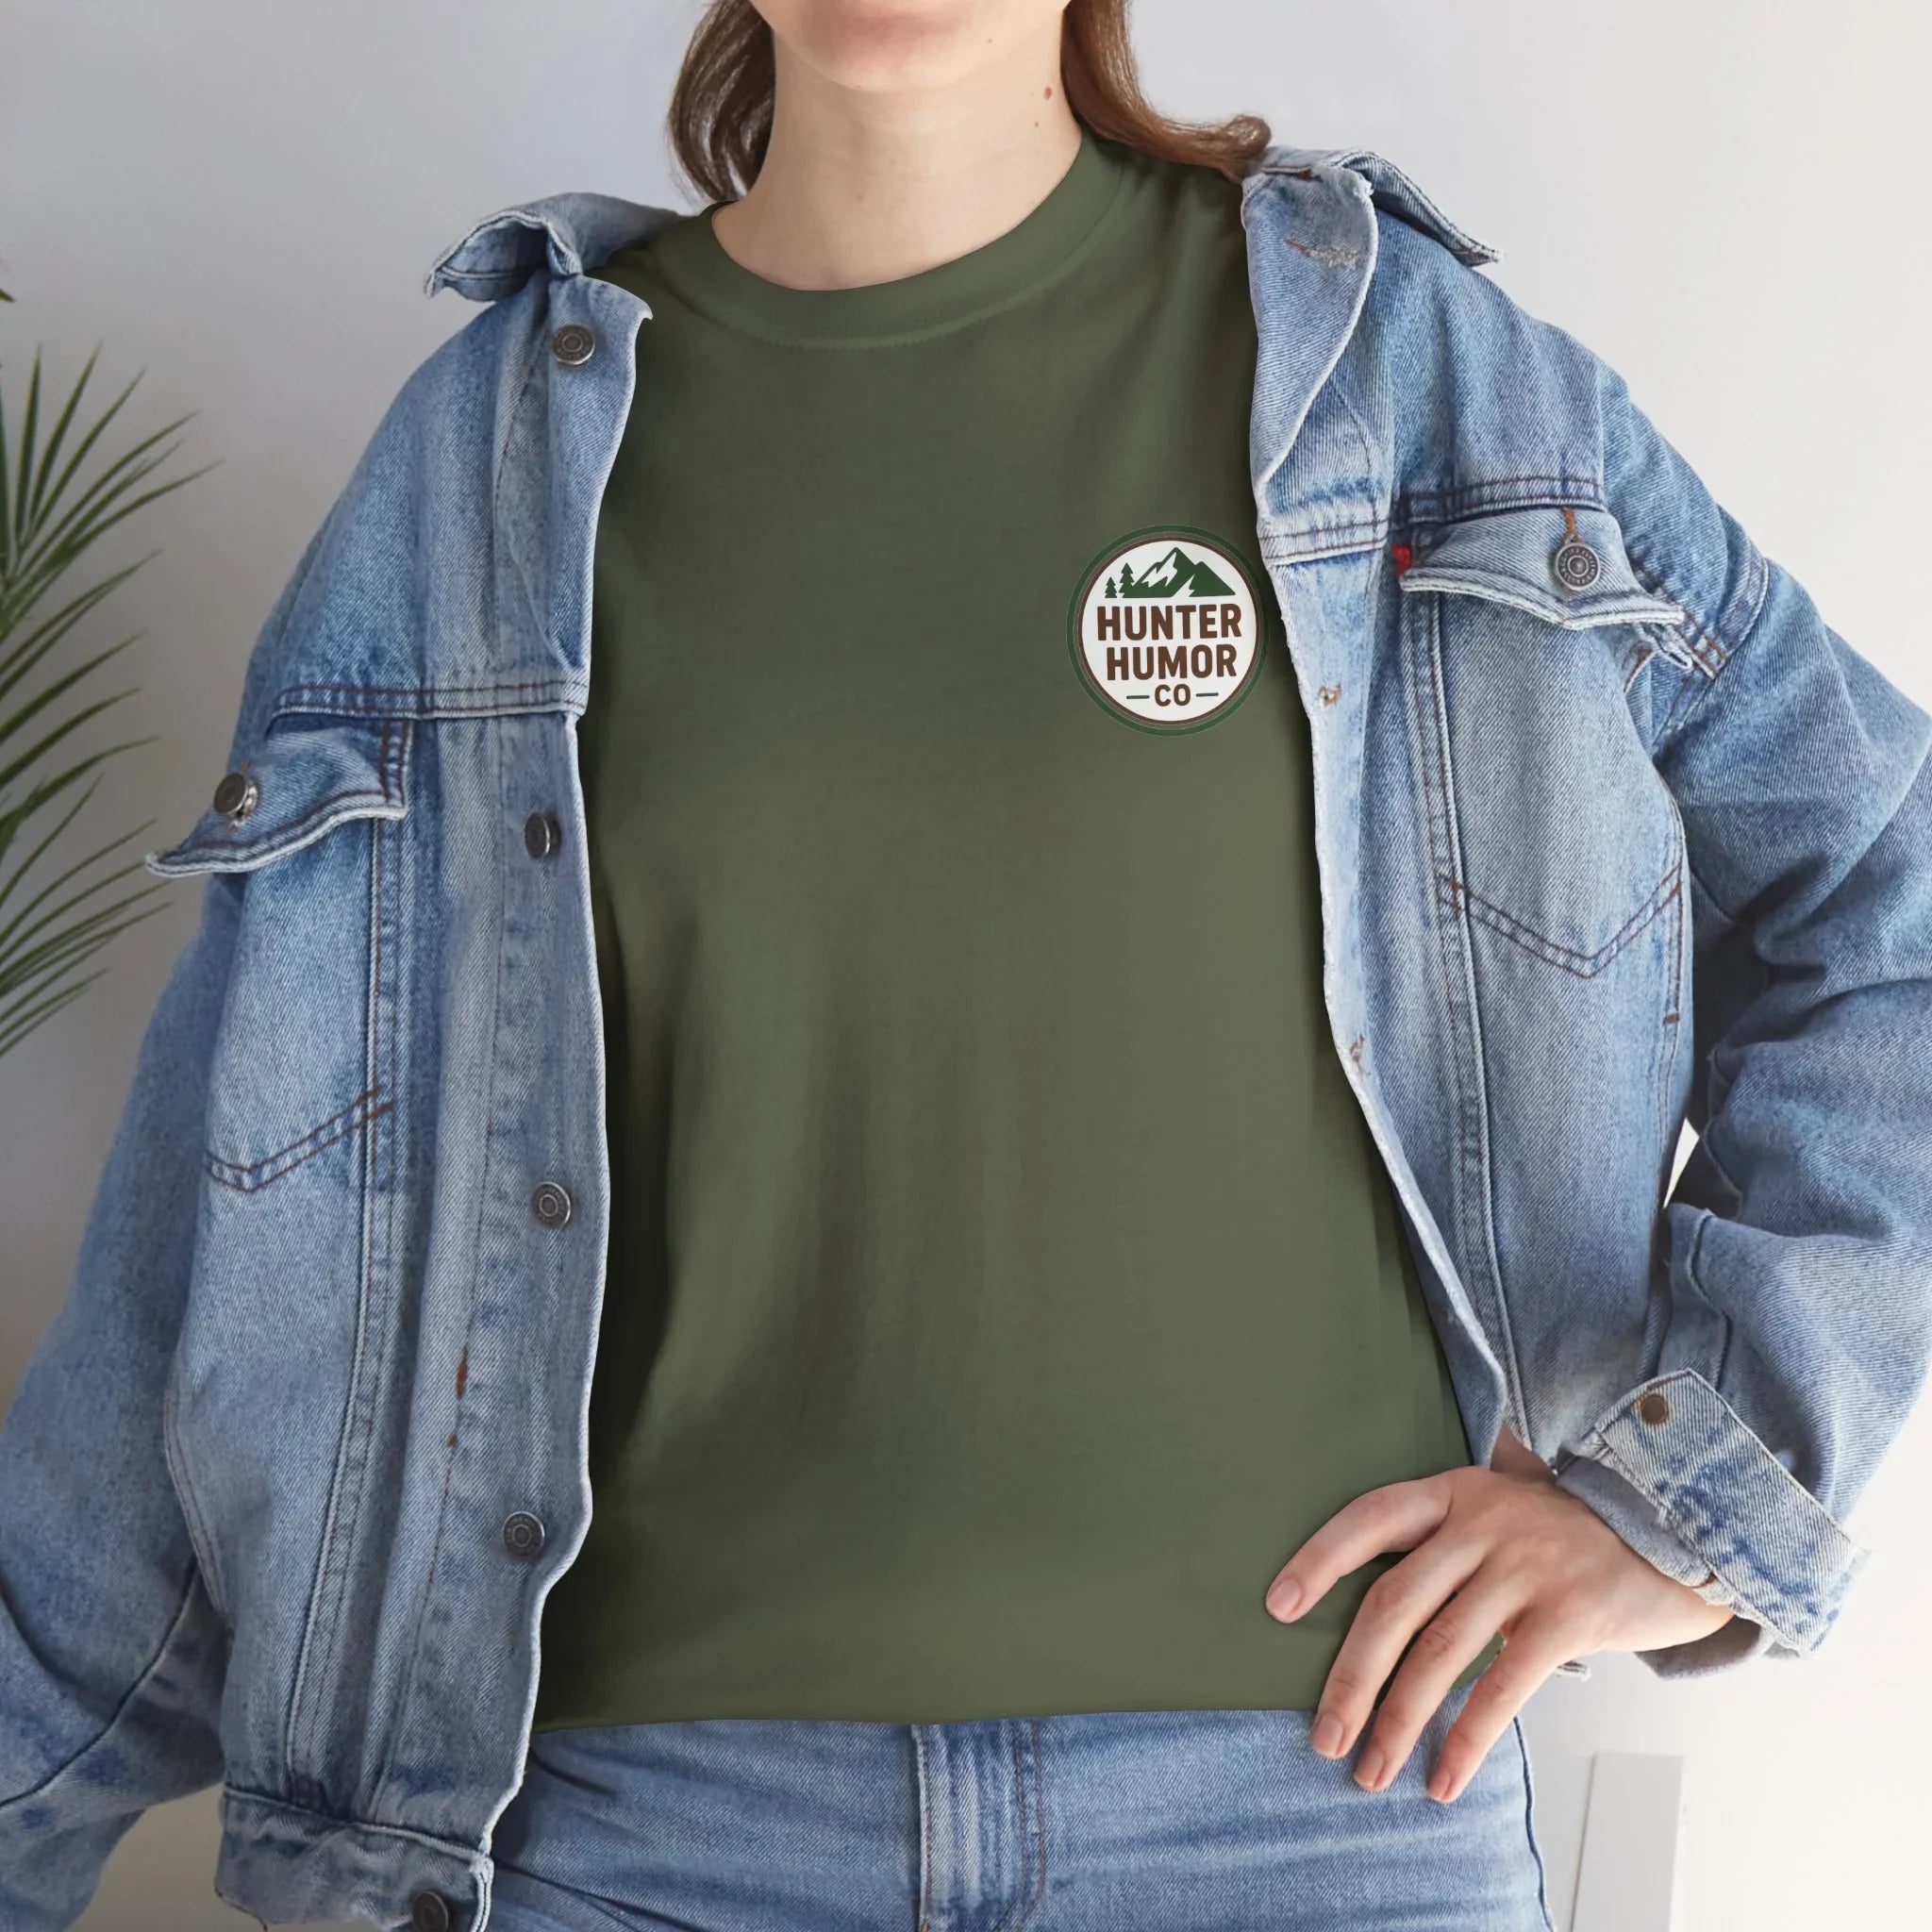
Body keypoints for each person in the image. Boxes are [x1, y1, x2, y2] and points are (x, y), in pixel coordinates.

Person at [4, 3, 1928, 1929]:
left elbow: (1882, 894)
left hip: (1316, 1814)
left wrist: (1698, 1505)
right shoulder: (477, 463)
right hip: (635, 1839)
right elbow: (224, 1244)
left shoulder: (1410, 381)